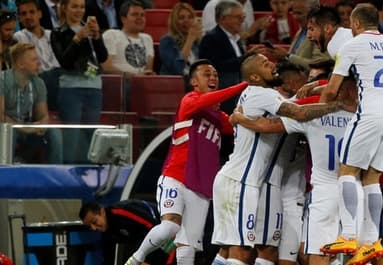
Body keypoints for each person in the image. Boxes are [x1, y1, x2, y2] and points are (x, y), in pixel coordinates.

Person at [211, 51, 344, 265]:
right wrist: (338, 106)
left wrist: (313, 86)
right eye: (265, 64)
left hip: (242, 180)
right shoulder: (262, 94)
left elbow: (292, 103)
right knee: (241, 251)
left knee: (229, 250)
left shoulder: (257, 95)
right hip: (241, 181)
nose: (272, 64)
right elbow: (298, 113)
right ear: (254, 77)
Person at [122, 62, 249, 265]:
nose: (213, 78)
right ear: (193, 82)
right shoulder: (188, 101)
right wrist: (243, 85)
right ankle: (136, 259)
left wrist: (242, 113)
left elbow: (239, 126)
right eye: (206, 74)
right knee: (169, 227)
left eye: (216, 74)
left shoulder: (219, 118)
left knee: (188, 245)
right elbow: (209, 100)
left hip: (201, 187)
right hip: (175, 176)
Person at [318, 4, 383, 265]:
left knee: (347, 171)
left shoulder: (352, 45)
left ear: (355, 24)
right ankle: (371, 242)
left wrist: (321, 102)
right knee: (372, 178)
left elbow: (332, 89)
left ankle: (348, 235)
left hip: (371, 115)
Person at [50, 0, 107, 164]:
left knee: (91, 134)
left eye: (81, 7)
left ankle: (90, 173)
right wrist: (77, 38)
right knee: (72, 135)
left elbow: (102, 57)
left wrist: (97, 37)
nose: (79, 10)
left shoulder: (91, 29)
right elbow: (65, 62)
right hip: (71, 88)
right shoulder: (58, 33)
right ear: (65, 8)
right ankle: (68, 174)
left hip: (94, 86)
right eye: (74, 6)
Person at [0, 43, 62, 164]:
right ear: (20, 64)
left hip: (28, 128)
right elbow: (0, 116)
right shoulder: (2, 81)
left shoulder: (39, 83)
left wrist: (41, 125)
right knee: (8, 131)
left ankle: (55, 172)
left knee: (54, 133)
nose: (39, 63)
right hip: (6, 128)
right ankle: (5, 171)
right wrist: (24, 128)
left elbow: (43, 115)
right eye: (34, 60)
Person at [199, 0, 262, 114]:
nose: (242, 21)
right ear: (223, 18)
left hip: (236, 96)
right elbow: (216, 66)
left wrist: (248, 58)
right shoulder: (212, 38)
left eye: (243, 16)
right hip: (223, 98)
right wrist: (246, 57)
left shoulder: (235, 39)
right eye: (238, 17)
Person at [79, 200, 172, 265]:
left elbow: (153, 227)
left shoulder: (122, 212)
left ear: (102, 211)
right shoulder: (106, 233)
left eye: (94, 222)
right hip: (152, 242)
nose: (94, 228)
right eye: (89, 226)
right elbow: (109, 259)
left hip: (170, 231)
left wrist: (147, 259)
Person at [14, 0, 62, 112]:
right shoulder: (18, 38)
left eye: (32, 12)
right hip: (35, 82)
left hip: (57, 81)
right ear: (19, 18)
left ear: (39, 14)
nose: (28, 16)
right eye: (24, 14)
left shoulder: (52, 35)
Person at [265, 0, 330, 70]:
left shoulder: (322, 33)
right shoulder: (301, 30)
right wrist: (283, 55)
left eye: (299, 13)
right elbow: (294, 57)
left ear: (314, 13)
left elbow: (320, 66)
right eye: (294, 13)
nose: (295, 17)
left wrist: (287, 56)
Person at [102, 0, 154, 77]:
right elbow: (106, 67)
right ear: (123, 19)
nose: (140, 18)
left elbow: (148, 70)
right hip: (118, 84)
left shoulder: (147, 39)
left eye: (142, 15)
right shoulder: (111, 34)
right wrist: (133, 76)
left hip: (141, 85)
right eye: (135, 14)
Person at [159, 2, 201, 76]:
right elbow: (177, 69)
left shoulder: (197, 42)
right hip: (175, 84)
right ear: (174, 22)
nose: (186, 20)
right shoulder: (167, 41)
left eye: (190, 17)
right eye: (181, 18)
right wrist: (190, 40)